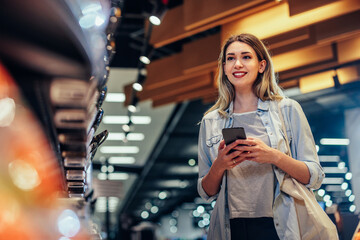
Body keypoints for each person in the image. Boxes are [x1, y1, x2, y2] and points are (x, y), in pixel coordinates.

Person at [197, 33, 325, 240]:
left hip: (281, 224)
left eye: (246, 57)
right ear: (224, 68)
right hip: (232, 227)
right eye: (230, 58)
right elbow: (206, 191)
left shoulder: (288, 110)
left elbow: (314, 176)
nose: (237, 64)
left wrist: (274, 156)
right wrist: (220, 164)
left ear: (262, 65)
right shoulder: (211, 121)